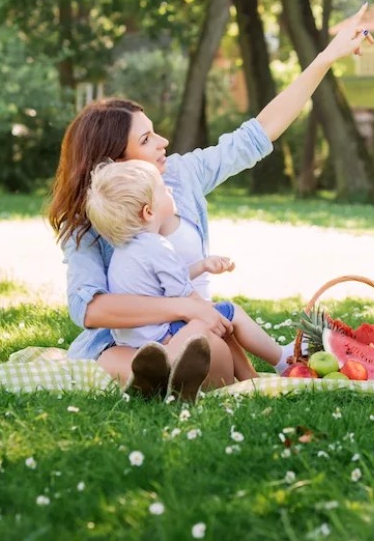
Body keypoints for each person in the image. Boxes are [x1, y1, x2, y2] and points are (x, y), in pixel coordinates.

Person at [47, 4, 374, 396]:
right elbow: (90, 309)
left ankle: (164, 378)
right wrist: (186, 307)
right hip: (122, 343)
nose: (163, 142)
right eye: (147, 139)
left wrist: (326, 58)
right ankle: (157, 375)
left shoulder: (180, 176)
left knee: (208, 351)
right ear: (113, 160)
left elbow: (259, 133)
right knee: (123, 362)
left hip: (192, 332)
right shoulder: (87, 221)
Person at [84, 158, 291, 399]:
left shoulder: (125, 250)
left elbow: (166, 280)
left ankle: (180, 374)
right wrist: (210, 312)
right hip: (163, 335)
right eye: (162, 189)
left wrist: (202, 266)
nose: (169, 190)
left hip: (134, 339)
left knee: (217, 318)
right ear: (149, 211)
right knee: (229, 312)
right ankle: (275, 365)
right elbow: (185, 296)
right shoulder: (158, 247)